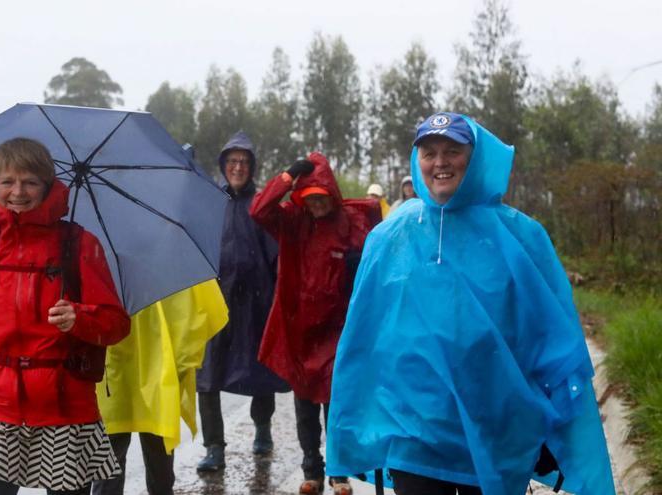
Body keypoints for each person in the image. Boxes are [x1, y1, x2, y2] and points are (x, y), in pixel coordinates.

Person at [326, 112, 615, 495]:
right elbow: (362, 340)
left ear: (474, 158)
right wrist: (359, 419)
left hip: (494, 428)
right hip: (416, 433)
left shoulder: (519, 236)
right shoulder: (390, 237)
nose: (440, 162)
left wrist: (554, 419)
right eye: (429, 152)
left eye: (452, 151)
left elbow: (552, 336)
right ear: (417, 161)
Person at [0, 137, 131, 495]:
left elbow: (116, 324)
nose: (18, 191)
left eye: (30, 181)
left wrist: (80, 318)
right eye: (8, 181)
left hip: (67, 409)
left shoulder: (80, 244)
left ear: (47, 186)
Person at [249, 152, 382, 495]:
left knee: (335, 404)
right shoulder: (294, 220)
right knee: (305, 404)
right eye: (310, 198)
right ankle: (312, 469)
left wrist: (358, 263)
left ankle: (338, 471)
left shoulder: (351, 220)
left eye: (321, 197)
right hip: (300, 330)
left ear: (332, 194)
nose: (317, 204)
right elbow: (259, 210)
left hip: (338, 330)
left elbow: (377, 258)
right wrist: (287, 177)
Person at [195, 131, 290, 473]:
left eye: (244, 162)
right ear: (224, 165)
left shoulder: (262, 203)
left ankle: (262, 429)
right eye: (232, 162)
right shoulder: (211, 201)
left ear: (251, 166)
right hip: (216, 299)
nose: (237, 168)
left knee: (260, 367)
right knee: (207, 374)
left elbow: (277, 250)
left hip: (257, 300)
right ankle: (214, 447)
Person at [92, 280, 229, 495]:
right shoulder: (168, 257)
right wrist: (180, 364)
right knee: (155, 464)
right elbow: (197, 312)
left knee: (112, 462)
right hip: (153, 373)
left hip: (117, 374)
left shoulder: (105, 256)